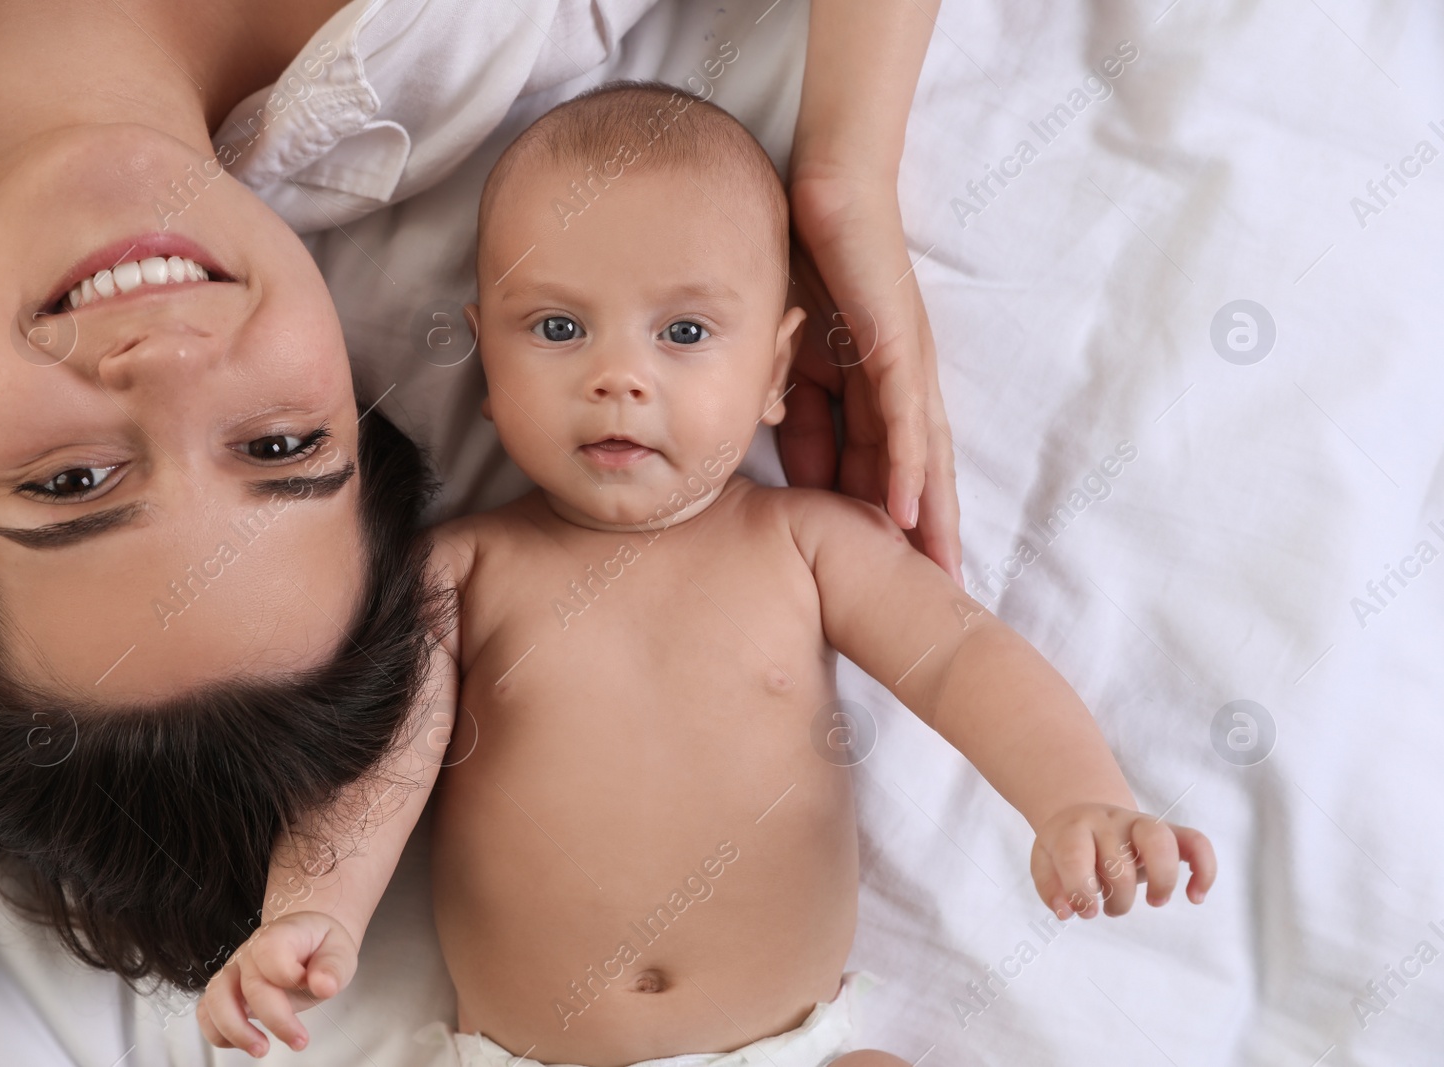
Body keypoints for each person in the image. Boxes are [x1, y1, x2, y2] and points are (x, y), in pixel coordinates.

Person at [0, 0, 961, 997]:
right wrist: (842, 174)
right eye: (280, 444)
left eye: (74, 480)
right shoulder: (450, 42)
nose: (174, 362)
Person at [197, 84, 1216, 1066]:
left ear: (777, 371)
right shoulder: (459, 572)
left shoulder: (808, 544)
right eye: (556, 327)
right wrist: (309, 910)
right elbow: (382, 768)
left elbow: (962, 660)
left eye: (683, 333)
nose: (619, 376)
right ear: (485, 364)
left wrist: (1078, 797)